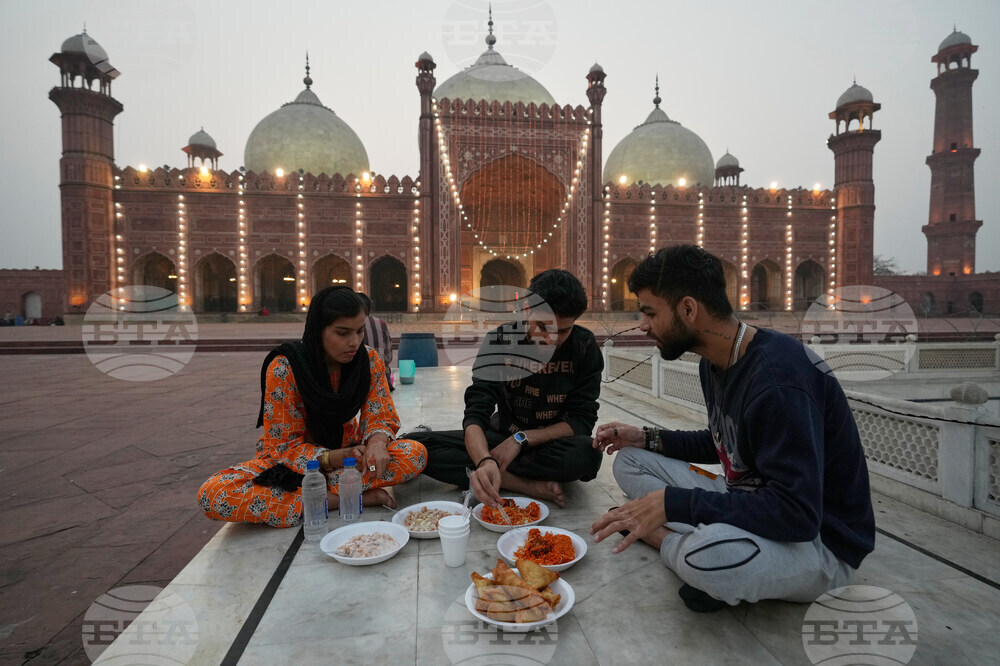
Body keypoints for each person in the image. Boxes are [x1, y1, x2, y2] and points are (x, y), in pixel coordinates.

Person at [589, 245, 875, 612]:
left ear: (688, 309)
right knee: (629, 460)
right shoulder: (716, 361)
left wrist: (676, 504)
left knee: (705, 557)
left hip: (818, 542)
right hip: (746, 495)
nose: (643, 325)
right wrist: (645, 437)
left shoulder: (779, 381)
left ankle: (662, 538)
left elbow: (798, 515)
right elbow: (726, 444)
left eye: (649, 313)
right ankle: (690, 532)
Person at [198, 286, 426, 526]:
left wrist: (377, 444)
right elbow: (283, 445)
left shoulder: (368, 361)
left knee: (415, 454)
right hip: (293, 465)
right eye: (342, 333)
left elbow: (380, 415)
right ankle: (338, 498)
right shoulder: (285, 368)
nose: (354, 342)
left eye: (359, 331)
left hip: (350, 460)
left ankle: (315, 495)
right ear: (318, 330)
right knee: (214, 494)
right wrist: (333, 458)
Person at [408, 269, 603, 508]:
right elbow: (477, 412)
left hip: (549, 444)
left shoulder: (584, 346)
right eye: (543, 326)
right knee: (414, 445)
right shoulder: (499, 341)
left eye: (563, 331)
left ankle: (493, 473)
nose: (551, 338)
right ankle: (518, 482)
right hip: (500, 438)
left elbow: (581, 421)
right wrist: (484, 461)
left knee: (587, 454)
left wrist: (521, 439)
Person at [357, 292, 394, 391]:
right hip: (382, 380)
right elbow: (389, 357)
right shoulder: (380, 323)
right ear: (369, 308)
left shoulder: (348, 324)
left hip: (357, 382)